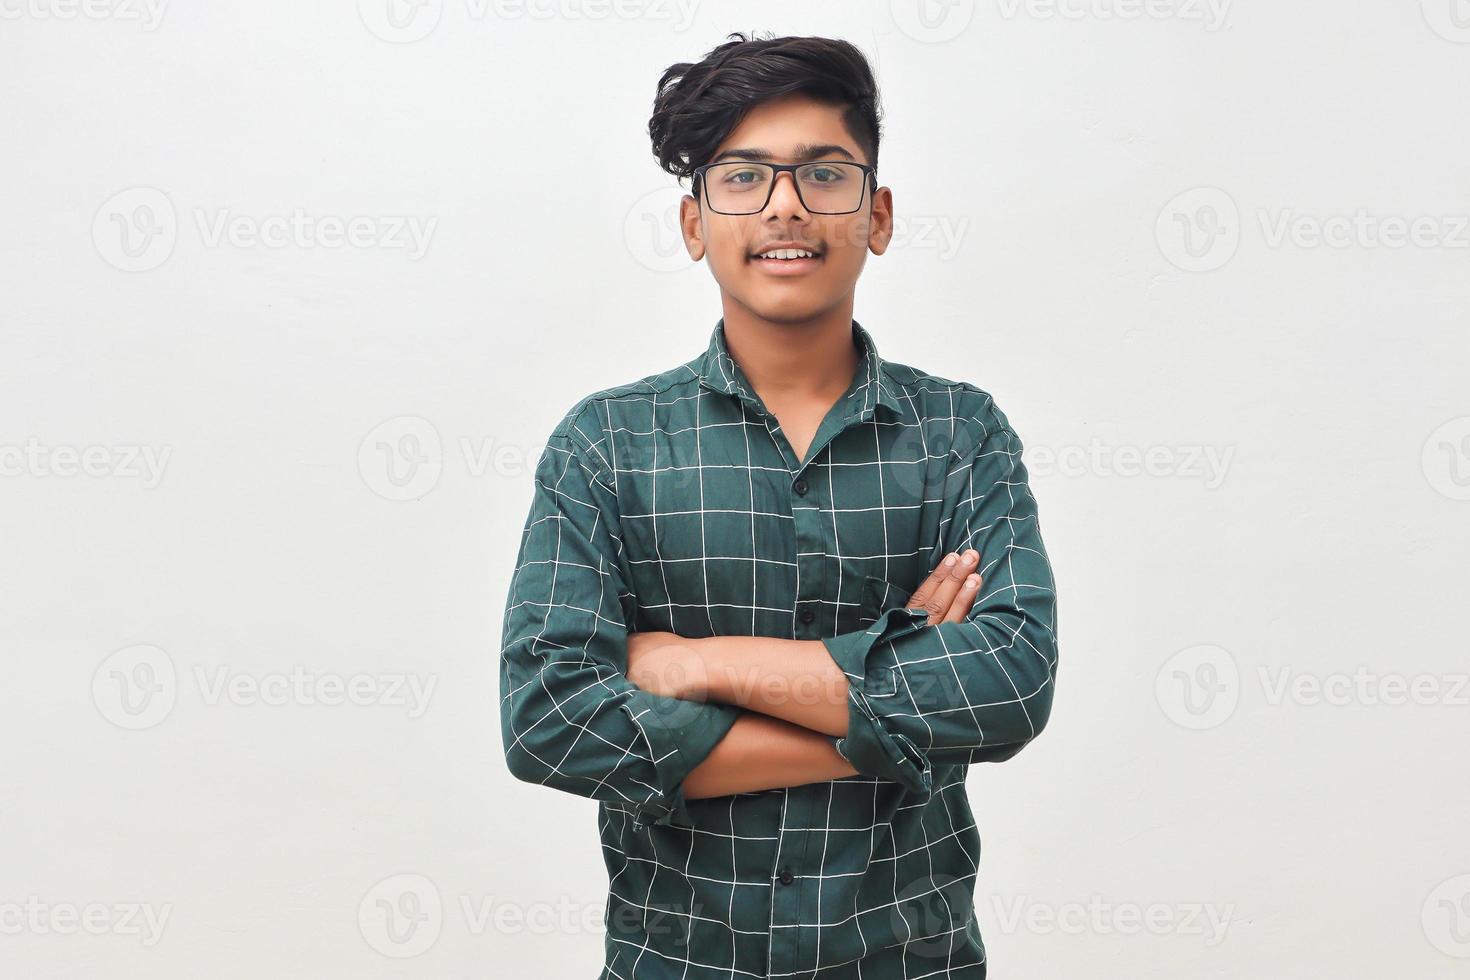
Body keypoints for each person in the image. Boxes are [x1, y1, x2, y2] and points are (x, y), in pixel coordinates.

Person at [499, 32, 1058, 979]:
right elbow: (549, 716)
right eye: (744, 177)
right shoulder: (607, 444)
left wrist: (695, 664)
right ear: (693, 222)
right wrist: (890, 717)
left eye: (824, 175)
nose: (786, 206)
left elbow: (1009, 682)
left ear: (877, 214)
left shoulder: (961, 432)